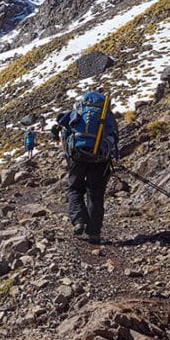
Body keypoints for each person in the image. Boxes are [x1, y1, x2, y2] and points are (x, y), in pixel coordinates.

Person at [52, 91, 118, 244]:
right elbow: (114, 138)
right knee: (95, 193)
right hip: (101, 157)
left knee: (75, 188)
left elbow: (59, 124)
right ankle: (94, 233)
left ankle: (78, 221)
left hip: (78, 156)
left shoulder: (78, 112)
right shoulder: (106, 115)